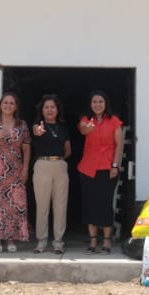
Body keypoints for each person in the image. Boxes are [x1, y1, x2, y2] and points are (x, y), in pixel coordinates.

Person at [0, 92, 30, 253]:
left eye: (12, 103)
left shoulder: (22, 124)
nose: (8, 106)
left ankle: (11, 238)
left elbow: (27, 147)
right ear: (1, 105)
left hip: (15, 169)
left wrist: (26, 168)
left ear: (16, 107)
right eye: (5, 103)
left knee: (14, 204)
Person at [76, 90, 124, 254]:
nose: (97, 105)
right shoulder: (85, 120)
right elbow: (83, 130)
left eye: (100, 102)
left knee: (104, 204)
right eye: (94, 102)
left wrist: (115, 165)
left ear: (105, 104)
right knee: (90, 204)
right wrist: (90, 126)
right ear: (90, 104)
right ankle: (93, 240)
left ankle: (107, 240)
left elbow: (119, 145)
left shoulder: (114, 121)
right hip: (87, 168)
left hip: (107, 167)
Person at [30, 94, 72, 255]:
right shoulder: (37, 126)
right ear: (42, 110)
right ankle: (41, 241)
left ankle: (58, 242)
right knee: (42, 205)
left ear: (57, 109)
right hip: (42, 164)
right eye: (46, 107)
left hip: (60, 165)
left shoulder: (63, 128)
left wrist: (58, 159)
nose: (49, 109)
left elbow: (68, 151)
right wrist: (38, 131)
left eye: (52, 107)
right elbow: (36, 132)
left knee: (60, 205)